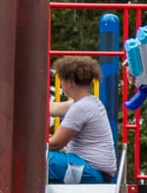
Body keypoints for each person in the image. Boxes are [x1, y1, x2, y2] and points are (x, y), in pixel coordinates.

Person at [45, 54, 118, 183]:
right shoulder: (89, 103)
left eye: (61, 80)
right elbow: (52, 108)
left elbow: (56, 143)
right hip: (94, 170)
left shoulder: (81, 108)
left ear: (69, 82)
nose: (61, 85)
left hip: (91, 172)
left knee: (42, 159)